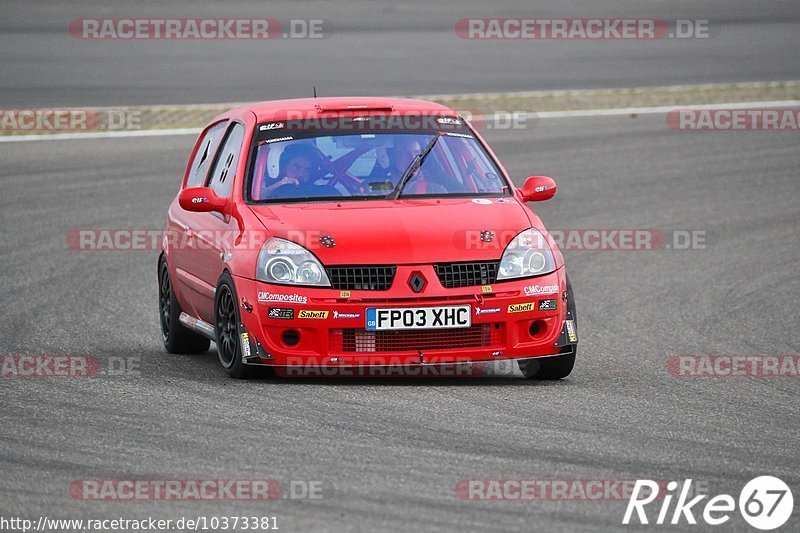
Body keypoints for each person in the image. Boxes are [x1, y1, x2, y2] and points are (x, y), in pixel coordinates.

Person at [370, 135, 448, 194]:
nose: (413, 159)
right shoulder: (372, 191)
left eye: (417, 153)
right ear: (394, 158)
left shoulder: (437, 192)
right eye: (406, 153)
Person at [261, 144, 340, 199]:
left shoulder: (326, 192)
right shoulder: (263, 185)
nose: (301, 173)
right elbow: (256, 199)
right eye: (296, 167)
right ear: (282, 167)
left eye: (307, 169)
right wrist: (277, 186)